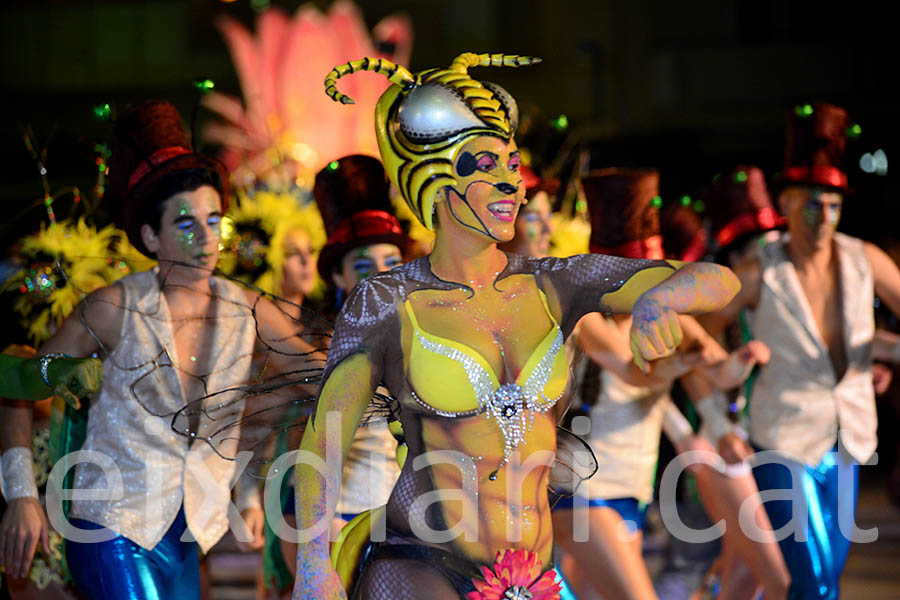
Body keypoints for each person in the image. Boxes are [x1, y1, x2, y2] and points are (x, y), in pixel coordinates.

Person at [289, 51, 740, 600]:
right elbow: (324, 443)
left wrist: (659, 300)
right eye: (485, 167)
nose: (510, 183)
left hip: (527, 576)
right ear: (435, 180)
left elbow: (718, 280)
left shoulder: (557, 284)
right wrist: (313, 563)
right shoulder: (385, 299)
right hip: (418, 561)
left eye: (510, 163)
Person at [0, 100, 317, 600]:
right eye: (187, 224)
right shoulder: (110, 309)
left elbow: (319, 370)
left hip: (189, 535)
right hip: (109, 527)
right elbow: (15, 383)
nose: (207, 238)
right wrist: (20, 494)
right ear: (151, 235)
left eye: (215, 221)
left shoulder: (248, 307)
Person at [701, 102, 900, 599]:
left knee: (827, 578)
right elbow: (694, 340)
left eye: (833, 204)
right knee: (811, 584)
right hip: (781, 441)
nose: (824, 216)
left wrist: (881, 355)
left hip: (850, 438)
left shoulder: (864, 259)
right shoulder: (760, 272)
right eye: (811, 202)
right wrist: (719, 422)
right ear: (786, 203)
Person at [550, 169, 767, 600]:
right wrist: (681, 364)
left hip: (634, 489)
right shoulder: (588, 319)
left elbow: (720, 373)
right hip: (582, 490)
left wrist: (742, 361)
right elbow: (633, 371)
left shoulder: (672, 319)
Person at [262, 155, 410, 598]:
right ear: (339, 278)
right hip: (335, 527)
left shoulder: (421, 345)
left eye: (393, 261)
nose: (384, 275)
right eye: (365, 267)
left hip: (397, 530)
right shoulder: (330, 352)